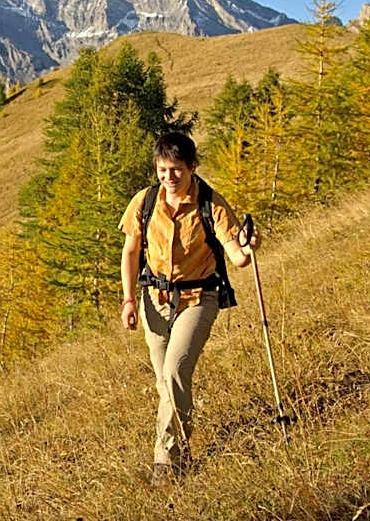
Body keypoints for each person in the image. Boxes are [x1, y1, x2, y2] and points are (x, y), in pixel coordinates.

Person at [118, 132, 259, 485]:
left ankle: (165, 461)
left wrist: (248, 245)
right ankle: (181, 447)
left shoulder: (211, 203)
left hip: (199, 298)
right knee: (164, 383)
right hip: (154, 300)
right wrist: (129, 299)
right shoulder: (145, 201)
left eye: (177, 170)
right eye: (163, 169)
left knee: (175, 371)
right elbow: (131, 252)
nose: (170, 177)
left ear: (192, 167)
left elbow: (237, 255)